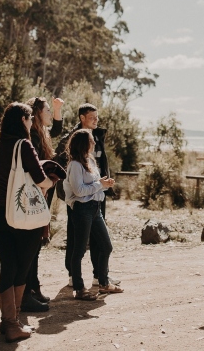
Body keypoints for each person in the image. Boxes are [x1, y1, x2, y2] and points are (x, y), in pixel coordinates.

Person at [0, 102, 56, 342]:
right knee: (22, 267)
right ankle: (13, 323)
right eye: (30, 119)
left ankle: (7, 321)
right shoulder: (25, 145)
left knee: (6, 267)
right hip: (25, 216)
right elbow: (41, 180)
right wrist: (51, 179)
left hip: (3, 214)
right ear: (23, 120)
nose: (32, 123)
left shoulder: (0, 145)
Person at [56, 103, 120, 287]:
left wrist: (103, 184)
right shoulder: (70, 139)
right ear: (82, 117)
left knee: (99, 238)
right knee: (76, 238)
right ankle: (73, 276)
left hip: (98, 194)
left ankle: (100, 275)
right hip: (78, 200)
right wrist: (67, 190)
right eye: (92, 117)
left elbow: (101, 162)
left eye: (97, 117)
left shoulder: (98, 136)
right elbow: (61, 164)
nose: (96, 120)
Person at [63, 129, 123, 300]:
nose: (94, 143)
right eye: (91, 141)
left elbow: (94, 185)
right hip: (82, 209)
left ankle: (103, 283)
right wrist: (100, 184)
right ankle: (80, 289)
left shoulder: (90, 160)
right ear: (84, 143)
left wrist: (104, 184)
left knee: (106, 246)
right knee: (80, 250)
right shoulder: (74, 165)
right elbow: (79, 191)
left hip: (95, 208)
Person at [20, 96, 64, 312]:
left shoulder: (41, 133)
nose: (49, 114)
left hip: (43, 193)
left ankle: (33, 287)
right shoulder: (34, 137)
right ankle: (27, 291)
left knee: (36, 244)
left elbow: (56, 130)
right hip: (37, 195)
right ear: (37, 113)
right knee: (32, 244)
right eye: (47, 110)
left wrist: (57, 109)